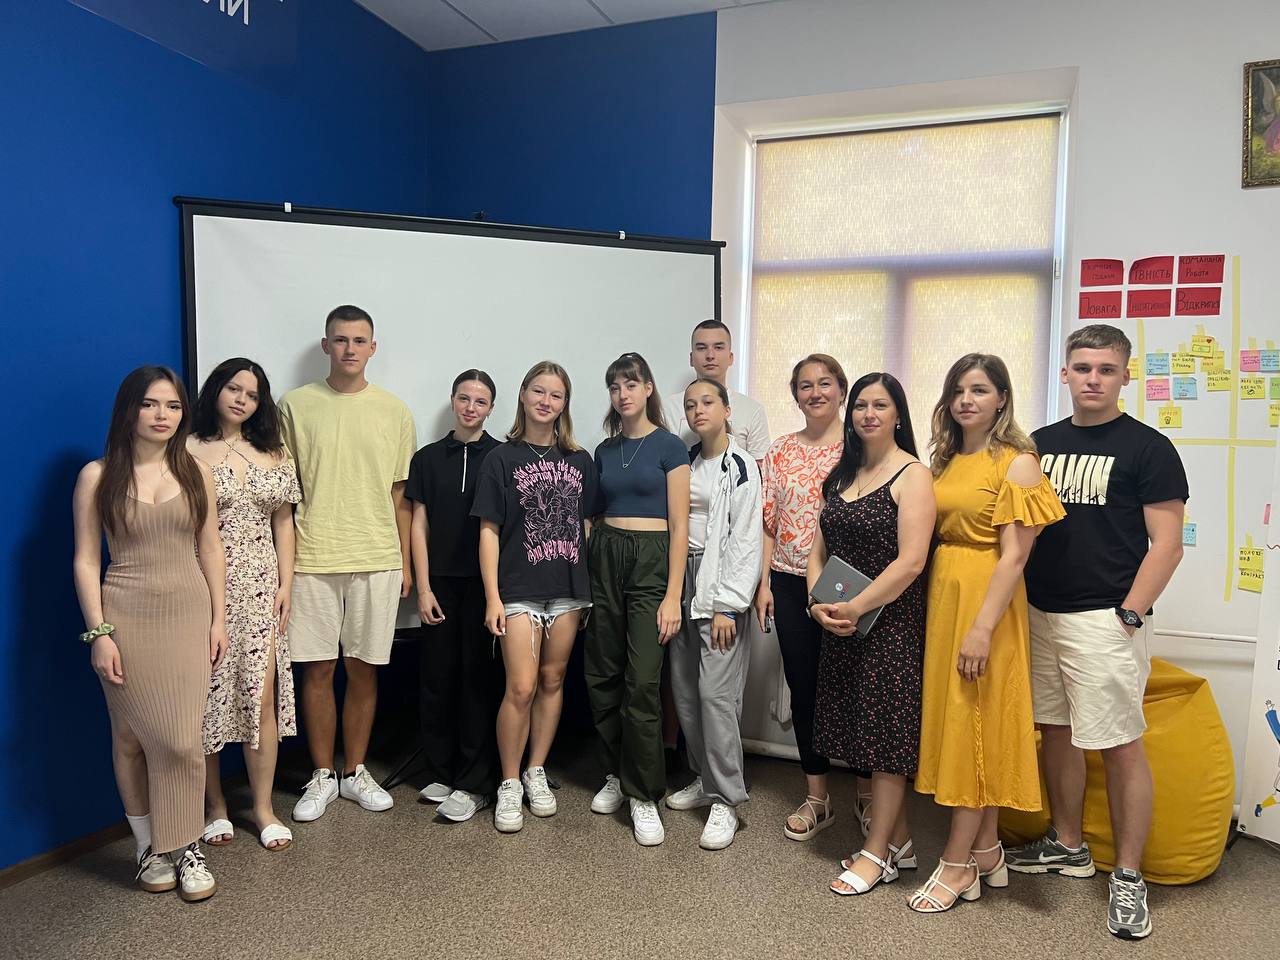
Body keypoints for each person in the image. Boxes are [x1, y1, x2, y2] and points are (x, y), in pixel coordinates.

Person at [1009, 323, 1188, 941]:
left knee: (1119, 745)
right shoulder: (1039, 444)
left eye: (1106, 369)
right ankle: (1068, 845)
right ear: (1065, 373)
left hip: (1105, 619)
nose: (1093, 379)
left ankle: (1129, 877)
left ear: (1124, 376)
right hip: (1040, 612)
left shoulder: (1149, 448)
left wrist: (1130, 614)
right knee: (1057, 733)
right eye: (1082, 368)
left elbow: (1167, 546)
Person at [911, 354, 1065, 914]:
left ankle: (956, 862)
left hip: (987, 600)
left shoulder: (1018, 463)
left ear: (1002, 398)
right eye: (958, 390)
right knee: (966, 721)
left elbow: (1015, 558)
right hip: (946, 591)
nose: (966, 400)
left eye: (979, 389)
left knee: (974, 723)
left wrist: (981, 629)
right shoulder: (946, 458)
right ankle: (987, 851)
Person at [72, 366, 227, 902]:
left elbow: (211, 548)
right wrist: (99, 634)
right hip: (124, 615)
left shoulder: (196, 472)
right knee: (130, 737)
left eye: (174, 406)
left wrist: (218, 619)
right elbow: (86, 559)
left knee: (182, 740)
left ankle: (186, 846)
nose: (163, 415)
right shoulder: (97, 476)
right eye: (151, 404)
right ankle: (148, 848)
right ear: (129, 409)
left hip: (188, 612)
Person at [280, 305, 416, 822]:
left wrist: (405, 563)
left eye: (360, 340)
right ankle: (322, 775)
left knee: (363, 669)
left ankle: (355, 771)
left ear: (373, 348)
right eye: (341, 340)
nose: (350, 349)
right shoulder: (294, 406)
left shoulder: (394, 410)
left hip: (376, 556)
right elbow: (284, 495)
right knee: (318, 670)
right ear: (326, 345)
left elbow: (400, 495)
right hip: (313, 557)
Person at [808, 373, 933, 896]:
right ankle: (900, 842)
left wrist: (857, 607)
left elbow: (911, 562)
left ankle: (876, 853)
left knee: (885, 741)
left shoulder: (913, 475)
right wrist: (817, 605)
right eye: (860, 405)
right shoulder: (843, 474)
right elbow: (818, 549)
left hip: (891, 627)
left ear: (898, 414)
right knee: (859, 733)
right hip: (840, 622)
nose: (868, 414)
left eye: (880, 405)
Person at [472, 361, 598, 834]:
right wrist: (492, 597)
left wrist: (585, 589)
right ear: (523, 395)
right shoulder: (500, 459)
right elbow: (488, 531)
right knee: (521, 687)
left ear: (565, 404)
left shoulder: (580, 460)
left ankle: (535, 770)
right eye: (538, 391)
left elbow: (588, 526)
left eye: (556, 395)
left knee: (552, 679)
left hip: (567, 592)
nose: (546, 401)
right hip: (518, 592)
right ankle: (509, 782)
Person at [189, 358, 301, 852]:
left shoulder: (273, 451)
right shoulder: (186, 448)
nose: (241, 400)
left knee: (261, 696)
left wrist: (285, 583)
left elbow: (284, 523)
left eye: (252, 394)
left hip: (260, 586)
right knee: (207, 696)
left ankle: (262, 807)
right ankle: (214, 806)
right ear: (216, 389)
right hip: (201, 583)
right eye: (234, 388)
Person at [754, 354, 863, 841]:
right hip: (789, 580)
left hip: (850, 585)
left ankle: (867, 795)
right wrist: (763, 584)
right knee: (805, 689)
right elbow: (768, 524)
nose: (815, 392)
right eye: (805, 385)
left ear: (841, 390)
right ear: (795, 395)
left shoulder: (861, 446)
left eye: (824, 383)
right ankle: (818, 796)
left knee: (857, 690)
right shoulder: (779, 451)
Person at [585, 354, 690, 846]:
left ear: (648, 388)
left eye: (630, 384)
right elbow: (592, 517)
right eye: (614, 387)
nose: (622, 394)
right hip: (606, 555)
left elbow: (680, 526)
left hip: (652, 559)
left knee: (643, 679)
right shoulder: (604, 450)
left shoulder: (670, 446)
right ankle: (616, 773)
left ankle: (644, 794)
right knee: (603, 672)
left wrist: (673, 595)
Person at [665, 379, 762, 850]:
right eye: (690, 404)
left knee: (715, 696)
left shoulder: (740, 466)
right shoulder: (684, 460)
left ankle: (726, 799)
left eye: (707, 402)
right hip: (681, 577)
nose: (698, 410)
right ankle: (704, 779)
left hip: (719, 582)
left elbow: (746, 538)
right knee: (685, 692)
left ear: (726, 410)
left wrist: (728, 605)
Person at [407, 370, 504, 823]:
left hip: (486, 586)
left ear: (491, 409)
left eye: (480, 401)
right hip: (440, 585)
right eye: (464, 398)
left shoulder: (502, 457)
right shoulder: (427, 458)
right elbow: (419, 524)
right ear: (452, 401)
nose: (471, 407)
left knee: (478, 679)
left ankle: (474, 781)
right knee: (438, 677)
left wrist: (497, 593)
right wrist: (423, 588)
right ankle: (442, 770)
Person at [662, 319, 771, 460]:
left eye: (718, 347)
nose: (710, 355)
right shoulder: (667, 408)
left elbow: (759, 468)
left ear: (730, 357)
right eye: (701, 348)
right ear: (691, 358)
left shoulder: (752, 410)